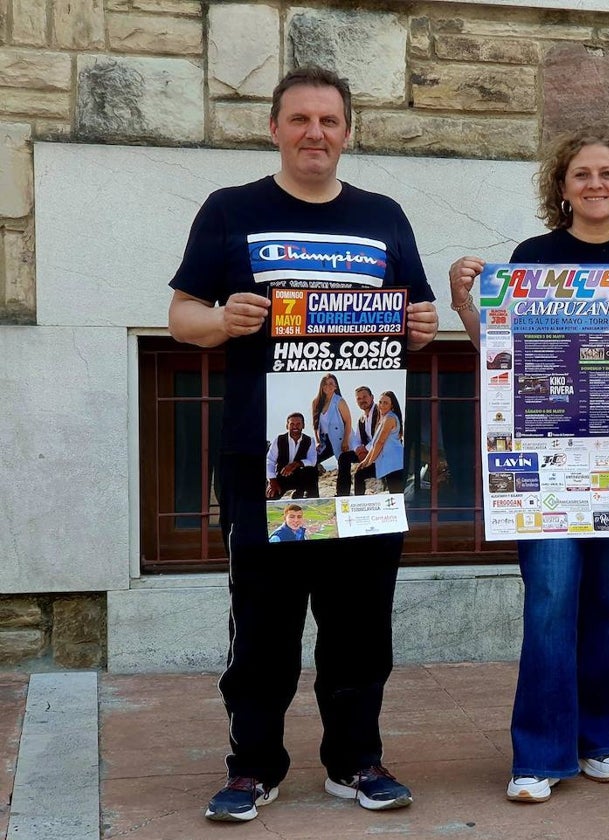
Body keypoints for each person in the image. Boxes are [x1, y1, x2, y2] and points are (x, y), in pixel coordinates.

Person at [166, 66, 438, 823]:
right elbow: (182, 314)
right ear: (275, 129)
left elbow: (417, 321)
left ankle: (357, 763)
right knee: (262, 626)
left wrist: (423, 328)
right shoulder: (231, 211)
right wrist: (223, 321)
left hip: (360, 471)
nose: (314, 133)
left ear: (348, 131)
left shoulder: (384, 215)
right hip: (268, 468)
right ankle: (253, 767)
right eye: (300, 120)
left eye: (328, 120)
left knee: (359, 625)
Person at [448, 128, 609, 803]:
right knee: (553, 601)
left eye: (608, 174)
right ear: (561, 187)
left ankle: (600, 742)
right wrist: (464, 305)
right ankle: (538, 754)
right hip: (546, 471)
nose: (595, 184)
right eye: (582, 174)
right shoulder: (533, 259)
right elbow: (500, 358)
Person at [355, 390, 405, 493]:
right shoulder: (383, 419)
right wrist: (365, 461)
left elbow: (380, 443)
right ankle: (358, 504)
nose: (382, 405)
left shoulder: (390, 418)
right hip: (385, 462)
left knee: (396, 496)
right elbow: (374, 444)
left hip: (394, 463)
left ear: (392, 405)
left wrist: (369, 462)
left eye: (385, 403)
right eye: (380, 402)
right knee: (359, 474)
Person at [336, 386, 381, 496]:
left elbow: (380, 438)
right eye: (359, 399)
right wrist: (358, 450)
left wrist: (365, 449)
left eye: (364, 397)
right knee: (344, 457)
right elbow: (356, 440)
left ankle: (358, 500)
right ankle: (342, 494)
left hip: (381, 452)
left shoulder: (381, 413)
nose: (362, 400)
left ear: (372, 397)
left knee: (359, 474)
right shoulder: (361, 419)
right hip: (366, 453)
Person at [266, 412, 319, 499]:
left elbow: (312, 461)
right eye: (292, 424)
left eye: (298, 424)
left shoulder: (309, 440)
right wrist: (272, 481)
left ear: (303, 425)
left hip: (300, 477)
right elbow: (270, 461)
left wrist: (294, 464)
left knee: (312, 470)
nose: (295, 427)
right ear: (287, 426)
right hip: (282, 476)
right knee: (269, 497)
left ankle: (311, 498)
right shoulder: (279, 440)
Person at [312, 373, 353, 466]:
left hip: (340, 437)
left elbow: (348, 422)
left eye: (331, 383)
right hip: (324, 440)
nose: (328, 386)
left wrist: (345, 440)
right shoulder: (316, 402)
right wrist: (318, 441)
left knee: (343, 463)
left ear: (335, 386)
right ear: (321, 386)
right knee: (312, 461)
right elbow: (315, 425)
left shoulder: (339, 401)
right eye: (325, 384)